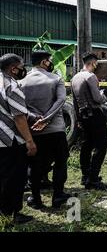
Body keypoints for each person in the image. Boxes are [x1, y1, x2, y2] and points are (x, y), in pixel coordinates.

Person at [20, 51, 71, 209]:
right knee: (60, 162)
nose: (51, 63)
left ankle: (36, 199)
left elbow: (19, 108)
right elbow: (62, 99)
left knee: (35, 166)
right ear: (44, 62)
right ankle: (58, 196)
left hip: (33, 131)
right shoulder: (55, 79)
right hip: (56, 129)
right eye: (49, 61)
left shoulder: (21, 82)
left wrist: (36, 118)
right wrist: (47, 118)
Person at [0, 54, 37, 224]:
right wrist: (29, 141)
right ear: (13, 68)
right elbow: (19, 117)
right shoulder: (12, 86)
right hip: (11, 140)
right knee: (14, 179)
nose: (24, 69)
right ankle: (10, 214)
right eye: (22, 66)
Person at [71, 53, 107, 190]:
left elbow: (74, 102)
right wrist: (104, 96)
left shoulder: (74, 77)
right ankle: (93, 179)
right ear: (92, 63)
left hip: (82, 115)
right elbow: (97, 98)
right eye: (96, 63)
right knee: (101, 145)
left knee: (86, 145)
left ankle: (85, 175)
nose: (96, 66)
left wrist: (78, 119)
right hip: (94, 114)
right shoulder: (90, 76)